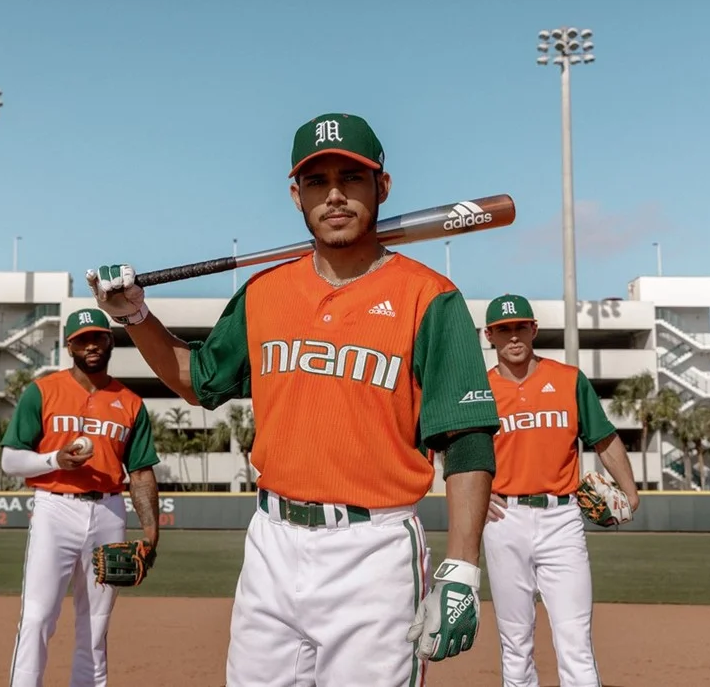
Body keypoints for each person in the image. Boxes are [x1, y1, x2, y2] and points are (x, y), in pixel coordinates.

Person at [85, 112, 500, 686]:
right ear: (296, 195)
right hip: (271, 543)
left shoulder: (430, 297)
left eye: (352, 179)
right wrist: (134, 315)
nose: (334, 195)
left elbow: (467, 437)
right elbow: (198, 379)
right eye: (317, 181)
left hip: (372, 551)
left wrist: (460, 567)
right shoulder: (265, 293)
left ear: (382, 187)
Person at [480, 293, 641, 687]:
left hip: (562, 518)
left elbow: (603, 438)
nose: (513, 337)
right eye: (504, 330)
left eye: (520, 327)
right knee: (515, 643)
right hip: (504, 520)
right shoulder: (479, 391)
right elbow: (454, 448)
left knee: (575, 640)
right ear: (490, 336)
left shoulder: (568, 380)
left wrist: (630, 492)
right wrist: (477, 497)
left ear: (533, 330)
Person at [0, 307, 162, 687]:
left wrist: (152, 533)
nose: (90, 345)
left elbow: (140, 471)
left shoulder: (131, 402)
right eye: (81, 340)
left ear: (110, 340)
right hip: (55, 507)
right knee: (38, 616)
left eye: (97, 337)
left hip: (109, 510)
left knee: (96, 624)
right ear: (69, 346)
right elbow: (10, 459)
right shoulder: (42, 391)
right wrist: (55, 459)